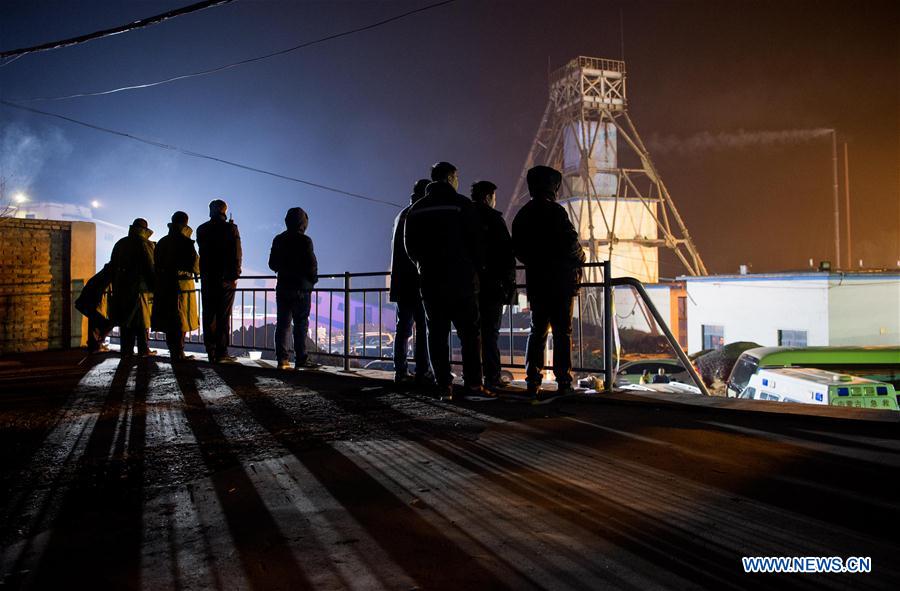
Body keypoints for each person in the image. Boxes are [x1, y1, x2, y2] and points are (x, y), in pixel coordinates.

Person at [404, 162, 490, 400]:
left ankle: (444, 385)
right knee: (469, 335)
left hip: (431, 282)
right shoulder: (462, 205)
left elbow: (410, 246)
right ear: (451, 178)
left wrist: (423, 266)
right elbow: (476, 243)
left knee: (437, 335)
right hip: (461, 281)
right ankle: (473, 385)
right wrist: (475, 269)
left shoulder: (417, 209)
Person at [512, 165, 585, 398]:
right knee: (563, 332)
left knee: (538, 331)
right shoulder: (556, 212)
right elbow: (572, 243)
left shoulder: (523, 214)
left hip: (537, 282)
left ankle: (533, 380)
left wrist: (536, 261)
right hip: (561, 282)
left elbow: (519, 250)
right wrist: (580, 258)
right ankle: (563, 381)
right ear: (552, 186)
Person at [470, 180, 516, 391]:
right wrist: (508, 284)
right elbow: (507, 254)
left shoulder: (464, 216)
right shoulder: (494, 219)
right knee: (490, 333)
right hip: (492, 285)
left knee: (471, 334)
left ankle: (473, 378)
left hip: (469, 285)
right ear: (488, 197)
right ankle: (492, 377)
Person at [389, 179, 432, 384]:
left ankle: (401, 371)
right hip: (417, 280)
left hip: (400, 281)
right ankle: (423, 370)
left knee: (403, 329)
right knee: (423, 328)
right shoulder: (420, 212)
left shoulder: (401, 214)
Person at [268, 207, 319, 369]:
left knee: (283, 324)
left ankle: (282, 359)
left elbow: (272, 264)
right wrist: (312, 281)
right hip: (301, 289)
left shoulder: (278, 239)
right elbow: (312, 265)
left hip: (283, 287)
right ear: (303, 223)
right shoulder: (305, 241)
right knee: (300, 324)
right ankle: (301, 359)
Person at [196, 199, 242, 363]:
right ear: (224, 211)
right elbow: (236, 253)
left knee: (209, 314)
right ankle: (222, 352)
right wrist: (235, 274)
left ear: (211, 211)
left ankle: (211, 350)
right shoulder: (230, 228)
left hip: (207, 277)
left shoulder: (202, 229)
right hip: (226, 278)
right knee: (223, 315)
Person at [152, 211, 200, 361]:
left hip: (164, 285)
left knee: (169, 319)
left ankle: (173, 351)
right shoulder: (186, 242)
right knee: (181, 319)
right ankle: (179, 352)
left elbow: (156, 263)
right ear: (186, 223)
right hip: (182, 287)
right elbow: (195, 265)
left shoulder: (162, 242)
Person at [110, 218, 156, 357]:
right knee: (142, 320)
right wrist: (155, 286)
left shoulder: (121, 243)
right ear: (145, 230)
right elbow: (150, 266)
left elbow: (113, 266)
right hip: (140, 288)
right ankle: (143, 349)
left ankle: (126, 350)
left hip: (121, 288)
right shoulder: (144, 244)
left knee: (126, 321)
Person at [74, 263, 114, 353]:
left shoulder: (101, 276)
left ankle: (95, 345)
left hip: (88, 303)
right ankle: (97, 345)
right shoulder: (106, 278)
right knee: (109, 322)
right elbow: (101, 294)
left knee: (97, 322)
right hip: (92, 304)